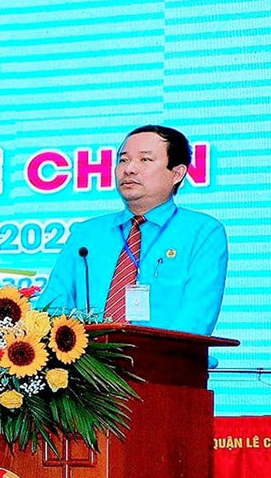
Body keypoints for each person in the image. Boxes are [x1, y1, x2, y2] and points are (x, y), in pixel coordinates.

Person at [40, 124, 227, 335]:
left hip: (169, 356)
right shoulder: (86, 233)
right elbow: (52, 305)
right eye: (123, 160)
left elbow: (197, 319)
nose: (129, 169)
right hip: (87, 355)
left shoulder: (203, 232)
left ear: (177, 173)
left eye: (144, 159)